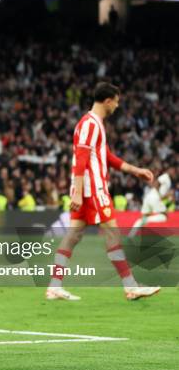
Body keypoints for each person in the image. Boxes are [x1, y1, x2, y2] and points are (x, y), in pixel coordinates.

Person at [46, 82, 160, 301]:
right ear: (108, 101)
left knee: (72, 236)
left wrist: (135, 171)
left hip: (87, 189)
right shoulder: (90, 124)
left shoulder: (93, 124)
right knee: (112, 233)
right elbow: (80, 159)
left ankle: (54, 286)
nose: (117, 106)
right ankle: (131, 287)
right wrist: (78, 192)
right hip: (92, 190)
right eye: (116, 101)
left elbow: (107, 157)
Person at [129, 172, 172, 237]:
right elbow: (156, 183)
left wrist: (166, 196)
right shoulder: (166, 176)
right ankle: (147, 220)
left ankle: (130, 236)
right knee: (164, 216)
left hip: (149, 197)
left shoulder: (168, 182)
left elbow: (160, 194)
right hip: (154, 197)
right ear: (172, 170)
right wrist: (159, 195)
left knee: (142, 219)